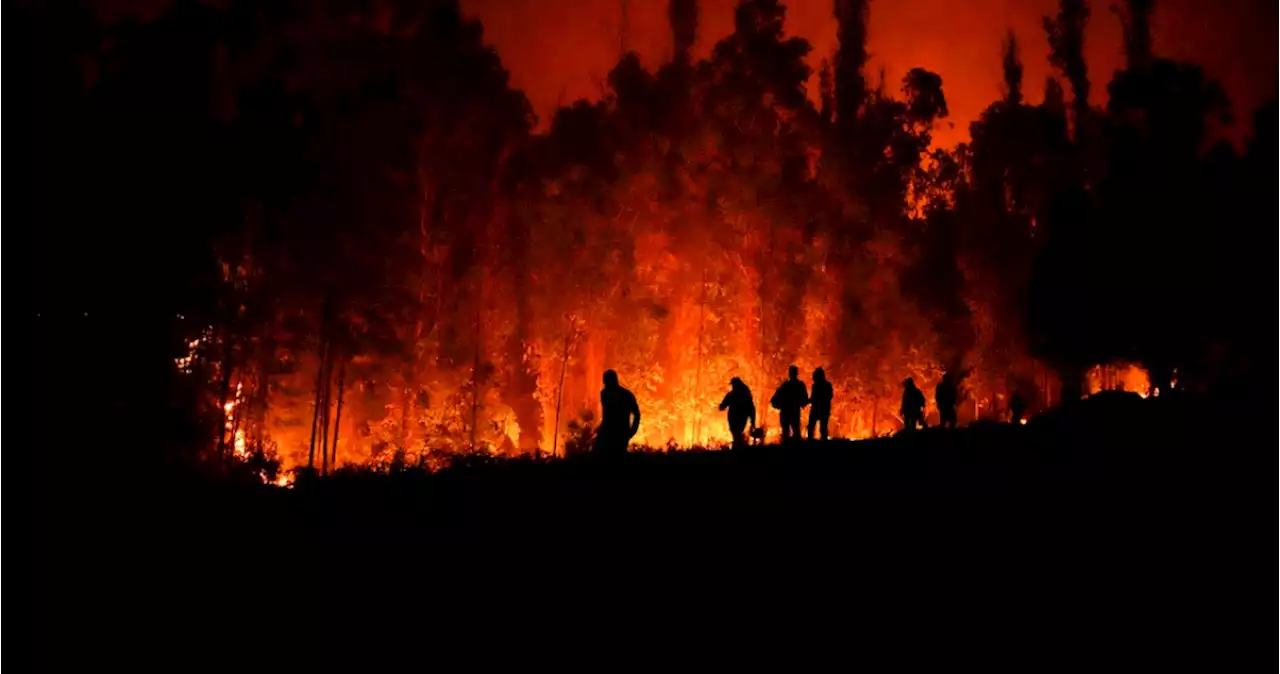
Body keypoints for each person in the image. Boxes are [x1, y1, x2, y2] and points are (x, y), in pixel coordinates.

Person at [595, 370, 640, 457]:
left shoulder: (625, 395)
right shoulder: (605, 394)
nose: (605, 386)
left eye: (606, 382)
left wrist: (631, 432)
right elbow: (607, 417)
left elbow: (636, 414)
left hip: (619, 435)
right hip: (609, 435)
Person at [770, 365, 809, 442]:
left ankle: (786, 449)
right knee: (795, 432)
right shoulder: (799, 385)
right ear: (796, 373)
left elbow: (774, 400)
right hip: (794, 411)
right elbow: (804, 399)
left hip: (786, 412)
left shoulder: (786, 385)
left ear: (790, 374)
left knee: (786, 433)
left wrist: (779, 405)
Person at [718, 377, 757, 449]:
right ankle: (739, 447)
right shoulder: (746, 395)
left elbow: (723, 405)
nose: (732, 386)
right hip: (742, 418)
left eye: (733, 385)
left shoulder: (733, 394)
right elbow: (751, 408)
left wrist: (721, 406)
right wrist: (752, 420)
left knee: (736, 433)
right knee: (737, 433)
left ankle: (738, 448)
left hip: (734, 418)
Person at [807, 367, 833, 440]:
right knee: (818, 427)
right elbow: (829, 396)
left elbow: (828, 396)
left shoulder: (820, 386)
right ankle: (821, 444)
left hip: (819, 409)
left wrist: (808, 401)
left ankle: (813, 443)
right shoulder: (825, 385)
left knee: (816, 427)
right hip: (823, 409)